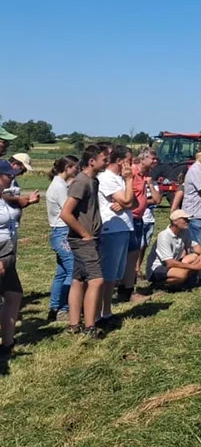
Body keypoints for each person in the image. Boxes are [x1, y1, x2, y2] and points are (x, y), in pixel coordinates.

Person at [60, 144, 108, 338]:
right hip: (83, 240)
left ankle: (73, 324)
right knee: (96, 280)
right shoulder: (81, 182)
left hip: (89, 238)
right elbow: (66, 213)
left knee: (79, 279)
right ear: (92, 161)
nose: (107, 162)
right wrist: (85, 234)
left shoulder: (93, 181)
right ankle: (90, 327)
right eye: (104, 159)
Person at [96, 146, 136, 329]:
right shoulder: (107, 178)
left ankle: (106, 310)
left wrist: (126, 202)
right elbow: (128, 200)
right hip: (111, 229)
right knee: (108, 274)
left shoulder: (120, 179)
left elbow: (134, 202)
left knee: (114, 275)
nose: (131, 165)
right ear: (120, 161)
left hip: (123, 227)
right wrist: (129, 182)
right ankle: (100, 313)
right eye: (130, 161)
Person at [122, 147, 160, 303]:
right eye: (152, 158)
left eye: (156, 158)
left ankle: (126, 288)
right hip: (130, 218)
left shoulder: (146, 175)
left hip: (139, 218)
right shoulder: (131, 173)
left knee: (134, 254)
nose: (155, 161)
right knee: (130, 256)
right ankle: (127, 290)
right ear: (143, 159)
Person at [46, 155, 80, 322]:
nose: (77, 170)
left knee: (61, 272)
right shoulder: (59, 187)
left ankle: (54, 306)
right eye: (75, 167)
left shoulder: (59, 184)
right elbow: (68, 210)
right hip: (63, 232)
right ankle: (64, 308)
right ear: (67, 168)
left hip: (58, 231)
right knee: (72, 270)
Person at [145, 209, 201, 289]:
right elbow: (169, 263)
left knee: (195, 257)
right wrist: (195, 267)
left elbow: (194, 246)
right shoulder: (164, 236)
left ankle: (186, 280)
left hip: (173, 263)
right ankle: (159, 284)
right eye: (184, 219)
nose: (188, 221)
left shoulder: (184, 232)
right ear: (175, 222)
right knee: (182, 275)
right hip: (157, 268)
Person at [0, 160, 26, 356]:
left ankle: (7, 343)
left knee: (14, 295)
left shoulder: (3, 197)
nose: (12, 178)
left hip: (7, 253)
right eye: (8, 175)